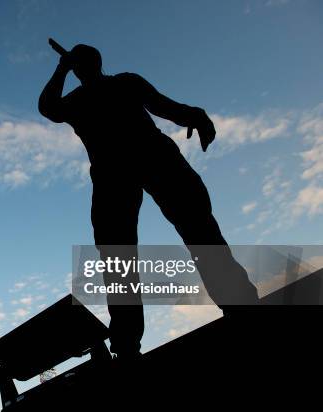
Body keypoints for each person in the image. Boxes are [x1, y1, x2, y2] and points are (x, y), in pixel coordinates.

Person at [38, 44, 259, 361]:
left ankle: (238, 306)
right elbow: (48, 107)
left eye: (76, 64)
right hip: (117, 173)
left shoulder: (121, 83)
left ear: (85, 65)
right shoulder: (78, 100)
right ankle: (127, 343)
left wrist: (193, 116)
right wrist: (62, 68)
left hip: (151, 159)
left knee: (197, 231)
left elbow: (163, 106)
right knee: (121, 254)